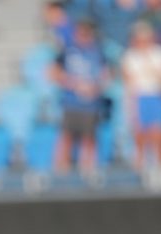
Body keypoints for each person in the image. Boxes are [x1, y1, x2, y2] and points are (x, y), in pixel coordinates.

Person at [51, 20, 108, 174]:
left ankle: (88, 168)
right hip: (71, 101)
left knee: (89, 137)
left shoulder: (97, 51)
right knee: (67, 135)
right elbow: (53, 72)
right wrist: (73, 84)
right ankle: (61, 168)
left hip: (90, 103)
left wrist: (95, 88)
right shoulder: (68, 51)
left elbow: (106, 74)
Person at [122, 21, 161, 170]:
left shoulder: (160, 53)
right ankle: (138, 173)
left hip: (157, 96)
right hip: (139, 98)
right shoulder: (130, 56)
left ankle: (160, 170)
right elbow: (128, 81)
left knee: (158, 137)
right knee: (140, 138)